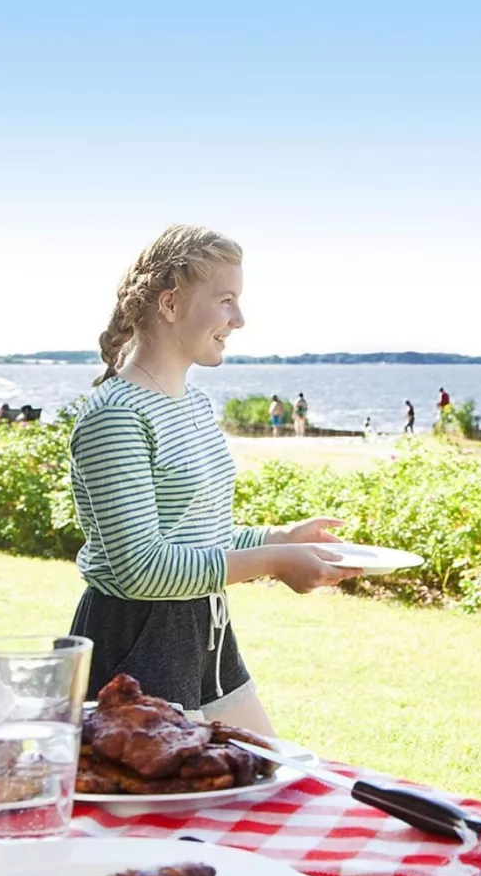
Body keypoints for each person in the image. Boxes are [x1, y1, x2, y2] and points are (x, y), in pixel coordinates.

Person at [69, 224, 360, 736]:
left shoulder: (196, 407)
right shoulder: (114, 416)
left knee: (267, 781)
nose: (239, 319)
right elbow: (142, 570)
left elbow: (199, 537)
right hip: (137, 645)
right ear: (170, 304)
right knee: (159, 811)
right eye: (225, 300)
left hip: (206, 630)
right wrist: (271, 562)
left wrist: (278, 538)